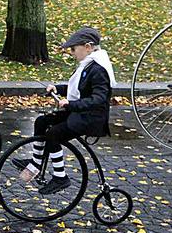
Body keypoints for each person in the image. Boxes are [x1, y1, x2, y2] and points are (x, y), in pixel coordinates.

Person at [16, 26, 115, 194]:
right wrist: (57, 89)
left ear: (88, 47)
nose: (72, 53)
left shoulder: (98, 69)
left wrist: (70, 104)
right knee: (42, 121)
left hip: (90, 119)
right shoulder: (88, 65)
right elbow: (77, 88)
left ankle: (60, 177)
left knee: (55, 133)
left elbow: (98, 99)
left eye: (74, 49)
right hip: (78, 113)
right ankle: (36, 162)